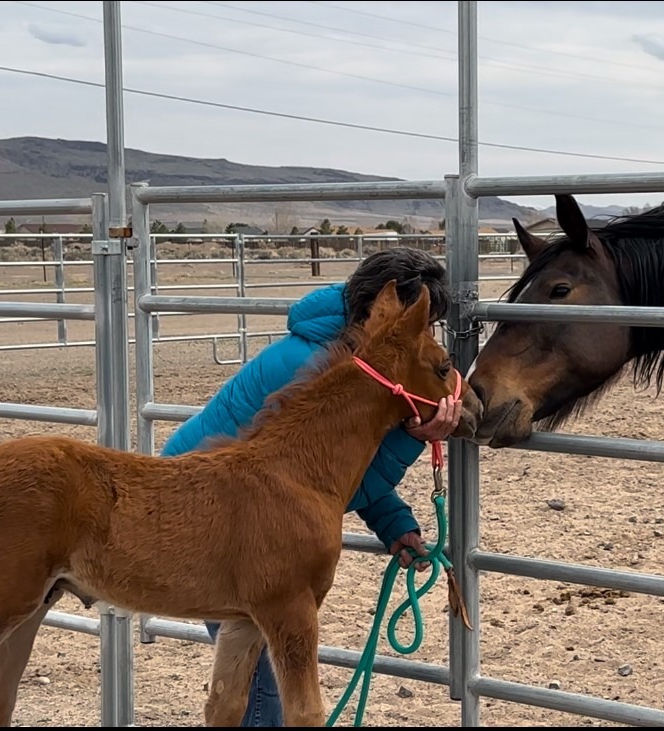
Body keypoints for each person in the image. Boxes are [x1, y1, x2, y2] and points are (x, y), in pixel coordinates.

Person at [159, 247, 461, 727]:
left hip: (234, 512)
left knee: (253, 678)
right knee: (264, 687)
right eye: (419, 324)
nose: (422, 338)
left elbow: (329, 474)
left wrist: (393, 523)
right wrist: (413, 437)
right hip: (210, 520)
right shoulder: (317, 366)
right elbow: (318, 489)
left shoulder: (343, 355)